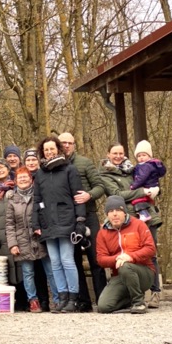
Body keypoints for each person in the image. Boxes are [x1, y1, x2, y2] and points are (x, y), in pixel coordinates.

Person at [99, 143, 163, 308]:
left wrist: (154, 189)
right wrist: (143, 192)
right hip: (125, 216)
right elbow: (117, 195)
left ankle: (155, 292)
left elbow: (151, 181)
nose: (118, 156)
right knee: (125, 254)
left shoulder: (133, 168)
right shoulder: (105, 174)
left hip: (147, 214)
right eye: (115, 153)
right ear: (108, 155)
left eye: (121, 153)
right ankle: (129, 291)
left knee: (151, 253)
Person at [32, 136, 86, 313]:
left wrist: (80, 220)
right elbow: (37, 200)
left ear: (58, 150)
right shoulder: (40, 174)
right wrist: (36, 222)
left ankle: (73, 298)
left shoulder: (70, 170)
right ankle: (62, 298)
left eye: (52, 149)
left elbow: (78, 197)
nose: (49, 152)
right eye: (46, 150)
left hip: (66, 220)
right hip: (47, 222)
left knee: (67, 260)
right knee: (54, 261)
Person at [58, 132, 107, 312]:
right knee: (74, 260)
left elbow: (100, 186)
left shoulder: (84, 163)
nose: (66, 146)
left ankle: (102, 299)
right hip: (68, 219)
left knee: (96, 258)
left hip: (89, 216)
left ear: (74, 145)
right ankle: (83, 301)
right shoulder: (56, 166)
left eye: (70, 143)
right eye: (63, 143)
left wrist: (89, 195)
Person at [6, 167, 58, 313]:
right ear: (15, 181)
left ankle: (57, 300)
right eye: (19, 178)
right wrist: (13, 244)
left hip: (41, 239)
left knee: (51, 271)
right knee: (28, 273)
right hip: (22, 241)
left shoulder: (39, 196)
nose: (23, 180)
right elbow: (9, 225)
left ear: (31, 179)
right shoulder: (12, 200)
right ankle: (33, 301)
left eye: (25, 177)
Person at [96, 196, 156, 314]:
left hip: (144, 272)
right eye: (111, 211)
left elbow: (151, 249)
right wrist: (116, 258)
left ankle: (139, 303)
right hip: (120, 276)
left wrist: (130, 257)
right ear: (107, 214)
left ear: (124, 212)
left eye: (118, 210)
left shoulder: (138, 224)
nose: (115, 214)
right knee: (104, 307)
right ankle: (131, 299)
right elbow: (101, 259)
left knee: (125, 266)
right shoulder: (102, 232)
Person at [0, 158, 27, 310]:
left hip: (19, 234)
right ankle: (6, 302)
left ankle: (24, 300)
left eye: (2, 167)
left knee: (21, 267)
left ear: (9, 169)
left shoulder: (17, 187)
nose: (0, 170)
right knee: (5, 268)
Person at [129, 140, 166, 222]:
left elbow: (141, 178)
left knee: (137, 199)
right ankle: (151, 211)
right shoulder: (152, 165)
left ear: (149, 155)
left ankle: (143, 213)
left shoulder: (145, 166)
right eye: (139, 156)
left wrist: (133, 186)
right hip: (153, 186)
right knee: (147, 200)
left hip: (147, 186)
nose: (141, 157)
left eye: (143, 155)